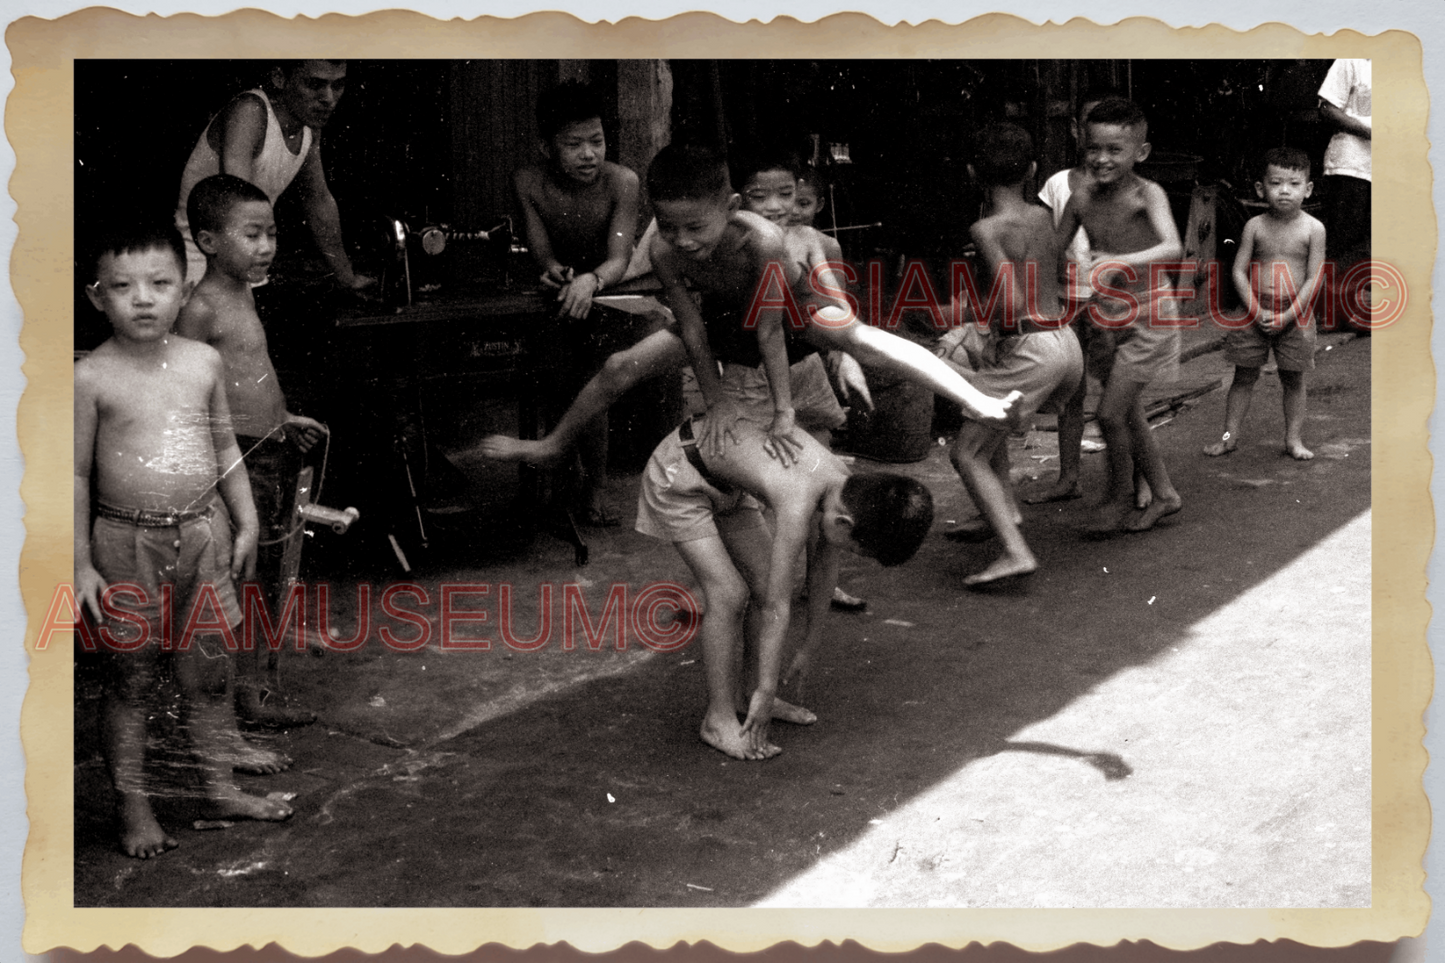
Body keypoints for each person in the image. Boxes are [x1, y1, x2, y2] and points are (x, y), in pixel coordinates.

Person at [75, 221, 293, 858]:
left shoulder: (203, 361)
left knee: (209, 679)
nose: (142, 298)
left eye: (159, 283)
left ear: (183, 288)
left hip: (204, 538)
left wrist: (247, 519)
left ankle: (221, 788)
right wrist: (81, 560)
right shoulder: (92, 377)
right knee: (131, 683)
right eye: (123, 286)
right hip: (125, 544)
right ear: (97, 297)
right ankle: (134, 809)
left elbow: (224, 444)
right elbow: (76, 473)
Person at [636, 413, 933, 760]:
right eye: (855, 548)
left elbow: (822, 573)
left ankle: (746, 695)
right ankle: (717, 718)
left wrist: (809, 646)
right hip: (679, 478)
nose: (848, 552)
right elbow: (777, 607)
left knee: (764, 584)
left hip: (726, 486)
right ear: (843, 523)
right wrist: (769, 686)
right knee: (729, 593)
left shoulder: (848, 491)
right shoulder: (799, 502)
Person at [176, 174, 328, 726]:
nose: (266, 246)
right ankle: (239, 696)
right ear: (209, 242)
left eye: (271, 233)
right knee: (241, 574)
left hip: (267, 446)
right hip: (235, 459)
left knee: (267, 572)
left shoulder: (242, 289)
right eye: (252, 234)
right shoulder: (201, 308)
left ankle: (253, 687)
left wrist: (283, 417)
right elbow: (190, 392)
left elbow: (250, 371)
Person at [937, 124, 1084, 585]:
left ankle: (1015, 550)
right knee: (985, 423)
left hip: (1031, 346)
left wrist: (959, 314)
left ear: (971, 173)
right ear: (1034, 170)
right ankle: (1001, 512)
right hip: (1063, 340)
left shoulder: (985, 228)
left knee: (965, 452)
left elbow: (1011, 300)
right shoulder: (1043, 216)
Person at [1055, 97, 1185, 535]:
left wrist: (1119, 262)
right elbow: (1053, 251)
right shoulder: (1081, 198)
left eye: (1115, 150)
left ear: (1140, 153)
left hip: (1151, 319)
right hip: (1106, 318)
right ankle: (1164, 494)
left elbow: (1172, 247)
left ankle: (1117, 498)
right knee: (1126, 412)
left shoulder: (1147, 194)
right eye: (1094, 148)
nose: (1102, 159)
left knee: (1110, 415)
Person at [514, 80, 642, 525]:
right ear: (547, 146)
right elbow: (540, 250)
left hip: (609, 288)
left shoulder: (622, 182)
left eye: (597, 141)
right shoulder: (528, 182)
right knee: (555, 383)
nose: (589, 154)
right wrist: (550, 267)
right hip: (558, 292)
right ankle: (560, 482)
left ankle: (596, 488)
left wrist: (590, 281)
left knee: (595, 385)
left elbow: (620, 257)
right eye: (574, 144)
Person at [1027, 88, 1151, 511]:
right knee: (1071, 395)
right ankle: (1069, 476)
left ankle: (1140, 482)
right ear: (1080, 132)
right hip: (1068, 300)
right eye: (1090, 128)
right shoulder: (1059, 183)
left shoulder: (1129, 189)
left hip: (1112, 303)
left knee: (1120, 399)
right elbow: (1050, 241)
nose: (1101, 152)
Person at [645, 144, 803, 464]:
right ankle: (552, 445)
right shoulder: (663, 250)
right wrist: (715, 402)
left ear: (732, 208)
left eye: (695, 228)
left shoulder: (764, 242)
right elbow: (692, 327)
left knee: (856, 339)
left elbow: (770, 330)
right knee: (617, 367)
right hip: (732, 320)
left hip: (797, 309)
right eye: (668, 226)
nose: (683, 240)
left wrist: (784, 411)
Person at [174, 59, 371, 294]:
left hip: (244, 260)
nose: (328, 98)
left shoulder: (308, 127)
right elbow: (238, 205)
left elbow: (318, 200)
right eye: (314, 84)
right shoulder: (250, 111)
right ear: (279, 78)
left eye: (338, 85)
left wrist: (346, 278)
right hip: (198, 264)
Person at [1203, 148, 1326, 461]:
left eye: (1294, 184)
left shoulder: (1314, 229)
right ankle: (1229, 437)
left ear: (1308, 189)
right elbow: (1238, 271)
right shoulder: (1254, 226)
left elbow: (1314, 279)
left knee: (1293, 379)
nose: (1284, 190)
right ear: (1261, 188)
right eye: (1276, 183)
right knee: (1243, 378)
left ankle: (1293, 439)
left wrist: (1288, 314)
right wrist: (1255, 310)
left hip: (1295, 314)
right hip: (1251, 312)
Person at [1316, 58, 1371, 326]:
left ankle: (1350, 308)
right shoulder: (1352, 59)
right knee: (1343, 237)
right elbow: (1328, 108)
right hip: (1351, 164)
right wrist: (1371, 131)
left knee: (1370, 242)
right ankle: (1331, 310)